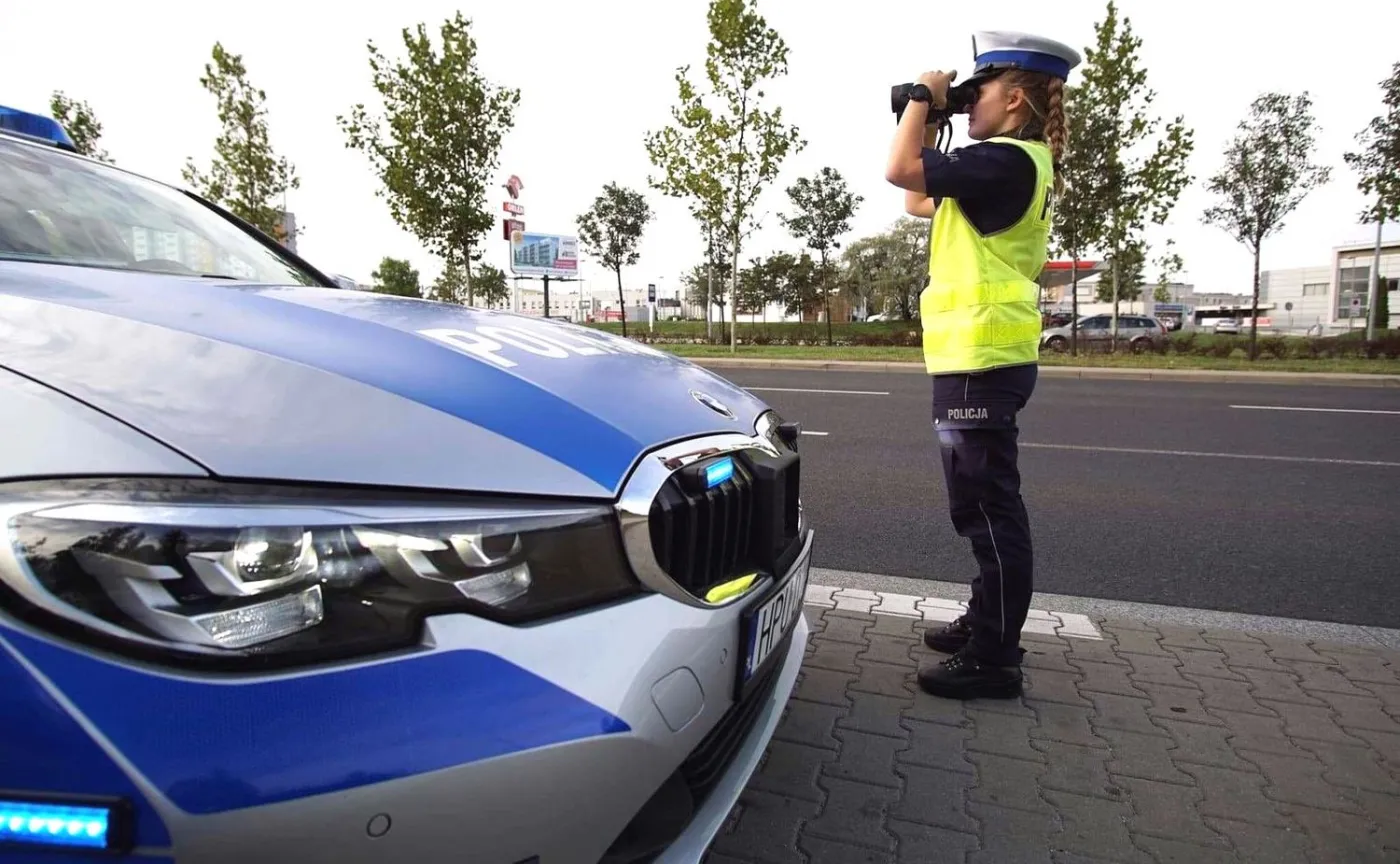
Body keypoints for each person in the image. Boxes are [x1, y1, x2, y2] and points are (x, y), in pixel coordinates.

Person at [883, 31, 1080, 700]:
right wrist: (932, 116)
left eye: (979, 91)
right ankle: (984, 622)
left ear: (1015, 97)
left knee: (989, 509)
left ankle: (996, 658)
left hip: (984, 361)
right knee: (980, 505)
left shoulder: (1005, 160)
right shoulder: (1009, 163)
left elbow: (899, 170)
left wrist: (921, 98)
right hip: (979, 358)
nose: (969, 103)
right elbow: (916, 196)